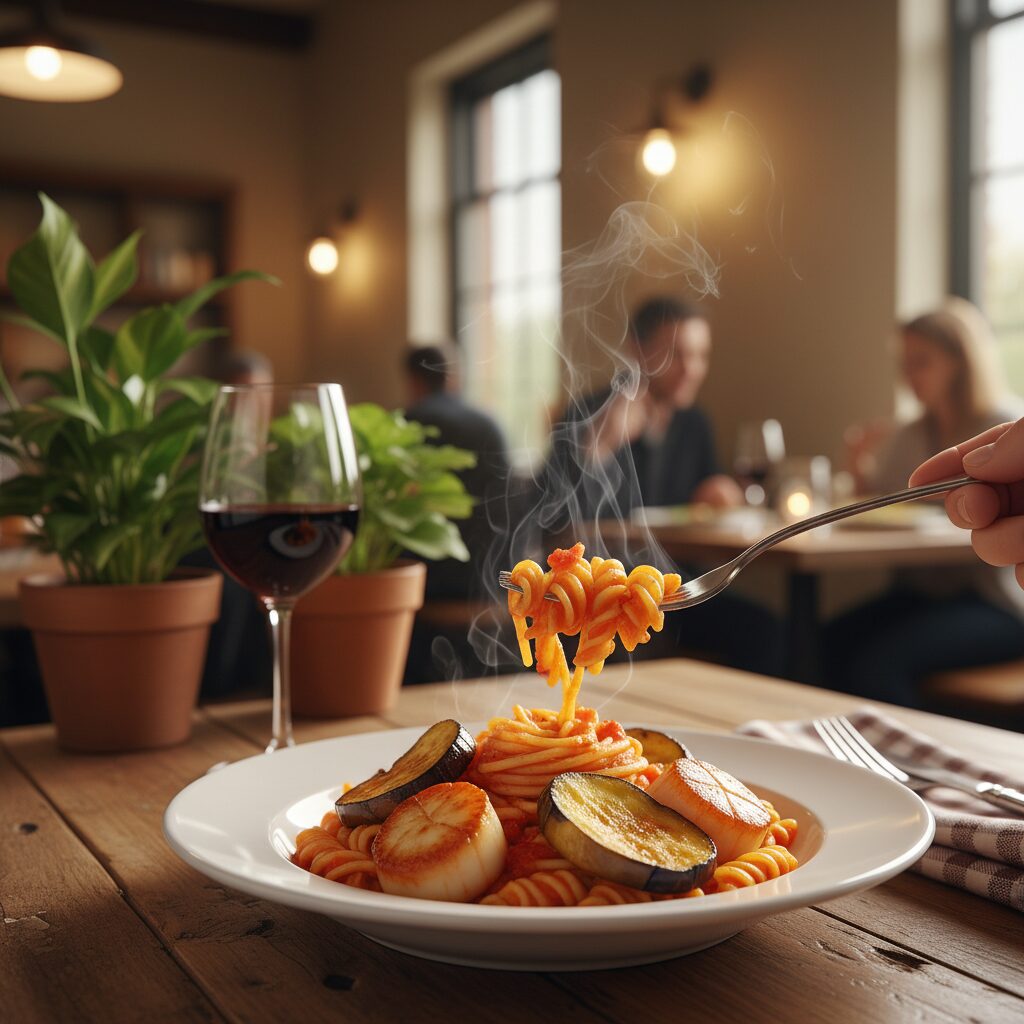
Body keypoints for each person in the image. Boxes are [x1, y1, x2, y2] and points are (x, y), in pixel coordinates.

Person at [544, 297, 782, 676]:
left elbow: (707, 500)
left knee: (768, 633)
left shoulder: (694, 423)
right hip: (614, 592)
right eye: (676, 355)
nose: (691, 370)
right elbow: (552, 516)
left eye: (700, 356)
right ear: (636, 352)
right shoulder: (589, 414)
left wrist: (720, 494)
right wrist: (600, 445)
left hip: (678, 587)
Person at [824, 298, 1024, 708]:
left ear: (959, 362)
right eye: (905, 363)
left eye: (922, 362)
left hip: (996, 602)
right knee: (824, 640)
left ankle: (899, 767)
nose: (909, 376)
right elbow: (880, 506)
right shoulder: (911, 433)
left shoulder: (1005, 427)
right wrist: (857, 465)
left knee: (877, 665)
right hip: (924, 595)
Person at [402, 342, 514, 682]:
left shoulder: (407, 425)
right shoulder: (490, 424)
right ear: (454, 377)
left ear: (413, 381)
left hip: (425, 599)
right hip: (493, 590)